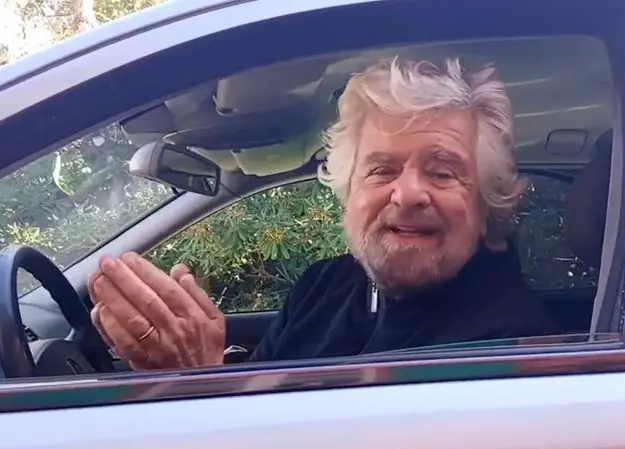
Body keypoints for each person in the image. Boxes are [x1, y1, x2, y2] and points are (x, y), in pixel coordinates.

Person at [88, 57, 558, 370]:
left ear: (486, 206)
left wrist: (198, 381)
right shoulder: (326, 284)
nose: (408, 193)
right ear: (349, 192)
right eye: (382, 169)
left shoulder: (510, 349)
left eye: (442, 172)